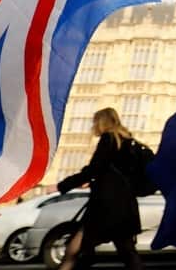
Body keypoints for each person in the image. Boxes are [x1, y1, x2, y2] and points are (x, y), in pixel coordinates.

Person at [57, 107, 144, 270]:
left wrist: (62, 185)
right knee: (128, 253)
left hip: (104, 207)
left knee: (74, 250)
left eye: (94, 123)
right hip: (125, 207)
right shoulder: (130, 143)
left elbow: (93, 169)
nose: (92, 127)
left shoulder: (108, 139)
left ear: (101, 122)